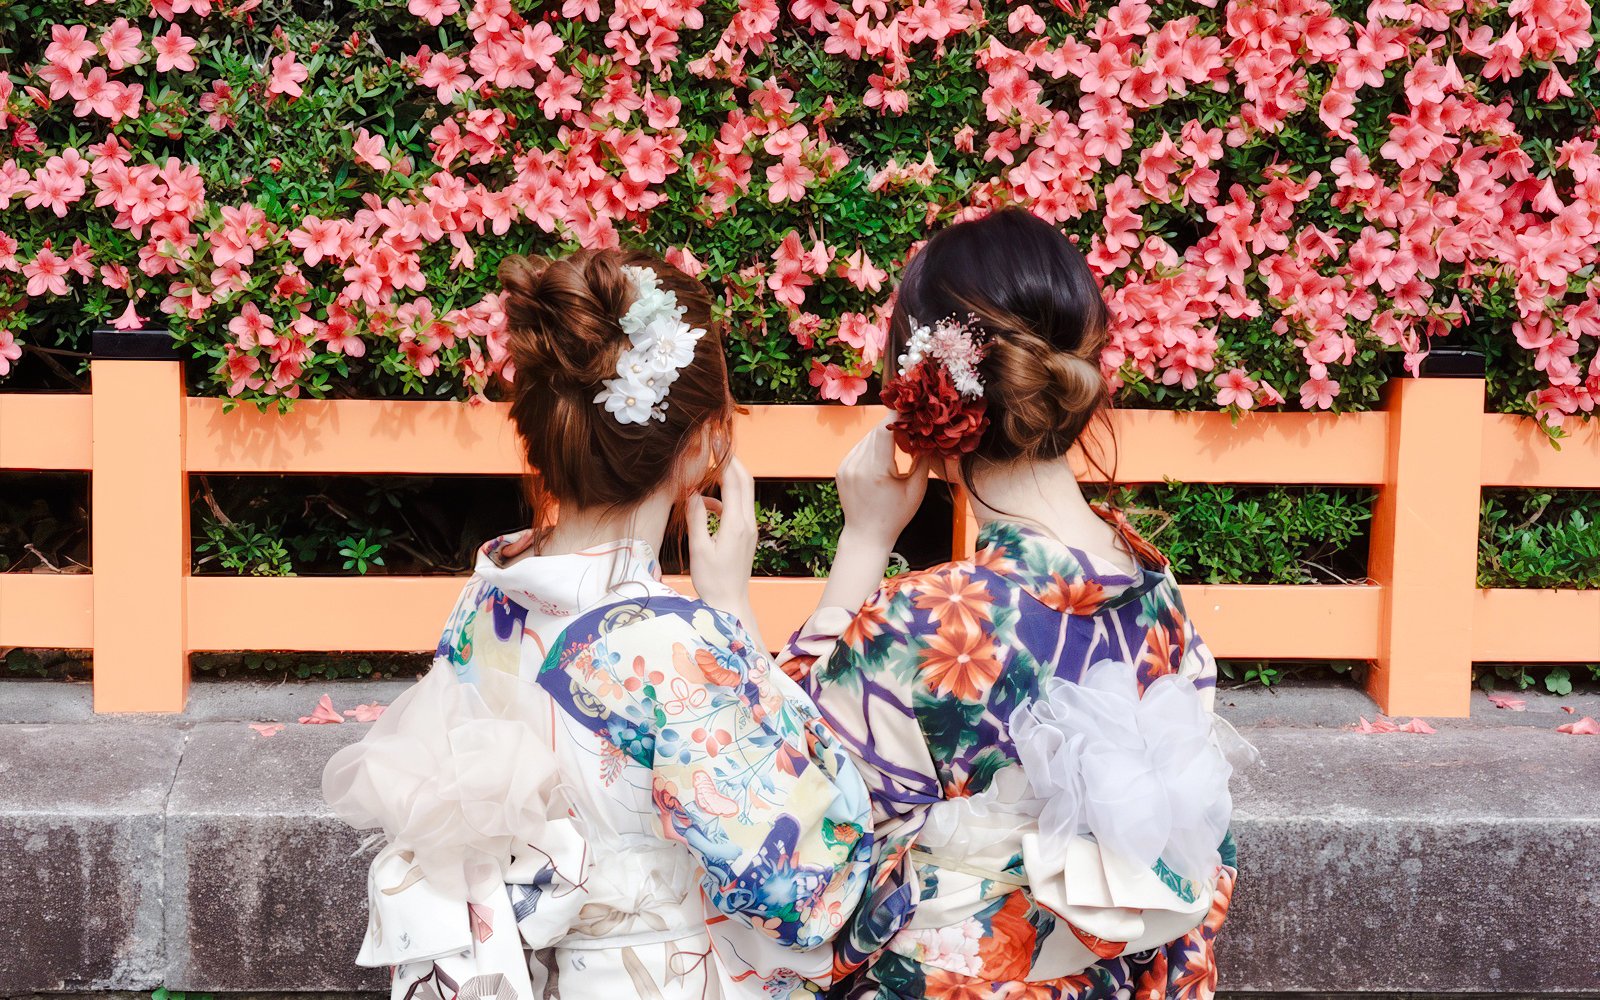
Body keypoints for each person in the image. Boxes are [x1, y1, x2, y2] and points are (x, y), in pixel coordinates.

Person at [324, 248, 874, 1000]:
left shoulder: (485, 601)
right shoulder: (678, 648)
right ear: (707, 443)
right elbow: (805, 889)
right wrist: (732, 619)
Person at [778, 209, 1240, 1000]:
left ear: (923, 394)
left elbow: (789, 800)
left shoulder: (930, 620)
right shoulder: (1157, 595)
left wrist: (862, 543)